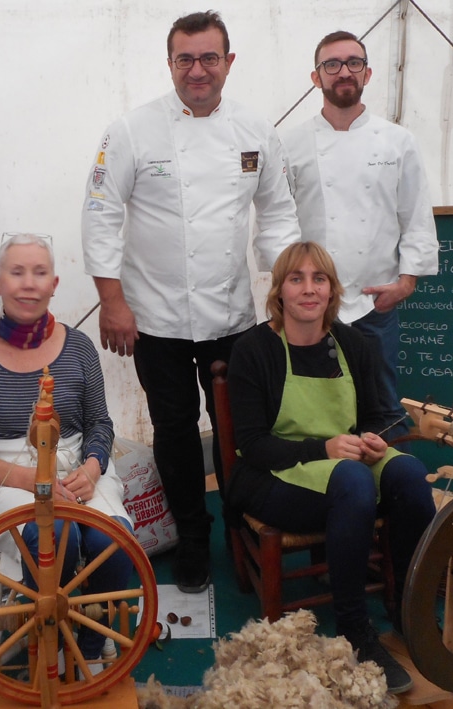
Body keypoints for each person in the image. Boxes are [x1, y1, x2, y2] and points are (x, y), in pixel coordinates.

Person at [81, 10, 300, 593]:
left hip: (233, 315)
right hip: (155, 318)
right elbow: (101, 216)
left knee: (242, 429)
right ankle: (195, 539)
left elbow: (277, 215)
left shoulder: (257, 130)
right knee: (174, 432)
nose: (197, 70)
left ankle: (244, 525)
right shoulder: (131, 130)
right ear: (170, 63)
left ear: (229, 63)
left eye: (209, 58)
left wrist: (284, 291)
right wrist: (112, 301)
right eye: (186, 59)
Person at [224, 241, 435, 694]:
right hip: (272, 474)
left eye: (318, 279)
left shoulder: (353, 344)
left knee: (410, 476)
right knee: (356, 484)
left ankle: (408, 608)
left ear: (332, 290)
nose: (308, 289)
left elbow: (380, 413)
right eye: (296, 279)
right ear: (279, 290)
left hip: (346, 460)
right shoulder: (254, 350)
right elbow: (253, 444)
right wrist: (323, 449)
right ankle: (356, 630)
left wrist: (378, 438)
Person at [0, 233, 132, 668]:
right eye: (17, 272)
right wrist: (34, 482)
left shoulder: (79, 348)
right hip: (2, 476)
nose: (29, 283)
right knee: (52, 537)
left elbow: (100, 424)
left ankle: (86, 647)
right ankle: (52, 645)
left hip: (74, 466)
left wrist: (93, 467)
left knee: (110, 539)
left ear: (54, 283)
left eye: (39, 272)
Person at [282, 30, 438, 441]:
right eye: (331, 65)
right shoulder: (290, 144)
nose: (343, 72)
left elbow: (417, 214)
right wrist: (291, 286)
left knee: (383, 405)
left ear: (367, 73)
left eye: (353, 63)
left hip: (374, 302)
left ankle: (390, 492)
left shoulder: (398, 141)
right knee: (312, 404)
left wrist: (407, 282)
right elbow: (278, 218)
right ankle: (327, 488)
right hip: (312, 302)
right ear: (316, 78)